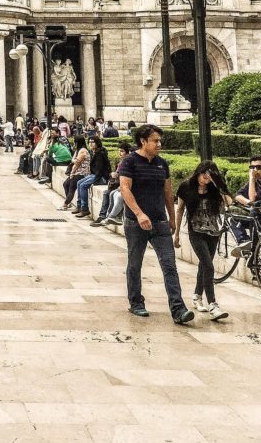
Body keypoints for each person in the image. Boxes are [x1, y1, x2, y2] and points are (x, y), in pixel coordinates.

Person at [118, 124, 193, 324]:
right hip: (136, 223)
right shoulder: (129, 162)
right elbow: (125, 189)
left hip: (159, 222)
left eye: (159, 140)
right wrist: (139, 214)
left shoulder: (162, 164)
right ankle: (136, 302)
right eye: (155, 141)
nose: (159, 144)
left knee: (170, 266)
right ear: (143, 141)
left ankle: (178, 309)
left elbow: (168, 193)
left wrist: (172, 217)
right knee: (135, 264)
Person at [175, 162, 231, 320]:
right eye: (204, 176)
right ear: (198, 172)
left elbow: (229, 203)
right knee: (208, 265)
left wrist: (218, 184)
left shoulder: (214, 188)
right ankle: (213, 304)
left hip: (214, 232)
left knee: (204, 265)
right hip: (196, 231)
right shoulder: (186, 186)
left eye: (209, 178)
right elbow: (179, 210)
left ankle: (197, 296)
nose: (205, 180)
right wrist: (177, 233)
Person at [90, 143, 130, 226]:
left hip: (121, 185)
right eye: (119, 151)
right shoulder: (120, 162)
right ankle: (105, 216)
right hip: (117, 184)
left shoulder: (127, 162)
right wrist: (113, 174)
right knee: (108, 193)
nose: (120, 153)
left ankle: (110, 216)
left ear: (127, 152)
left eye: (122, 151)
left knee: (112, 193)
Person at [73, 136, 111, 218]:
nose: (90, 144)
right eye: (89, 142)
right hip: (94, 175)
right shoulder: (92, 152)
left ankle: (85, 209)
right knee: (79, 183)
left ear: (97, 143)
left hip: (101, 177)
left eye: (93, 142)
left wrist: (95, 181)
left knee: (83, 185)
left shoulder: (100, 153)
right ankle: (79, 206)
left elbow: (99, 170)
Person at [60, 137, 90, 209]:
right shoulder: (78, 150)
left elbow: (77, 162)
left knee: (71, 188)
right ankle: (68, 201)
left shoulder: (83, 151)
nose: (74, 144)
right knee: (65, 184)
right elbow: (74, 160)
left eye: (75, 142)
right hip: (76, 172)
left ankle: (65, 204)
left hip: (81, 173)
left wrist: (72, 173)